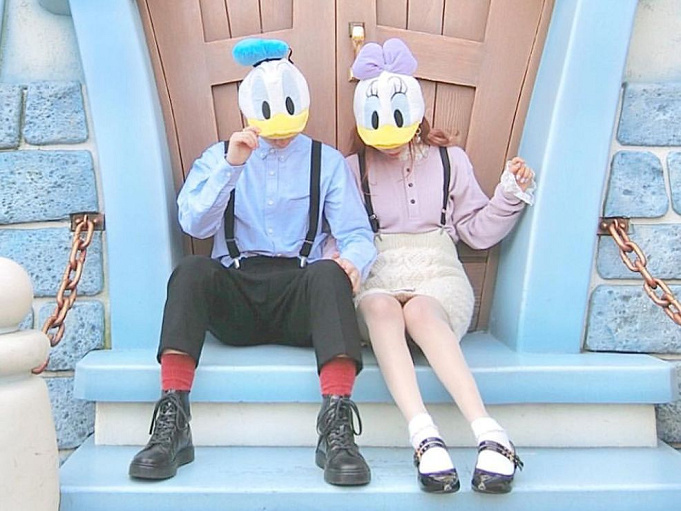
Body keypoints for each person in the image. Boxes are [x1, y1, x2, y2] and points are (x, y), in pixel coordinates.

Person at [128, 38, 377, 487]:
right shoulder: (219, 157)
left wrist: (353, 263)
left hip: (300, 297)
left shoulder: (326, 162)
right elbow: (193, 224)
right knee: (191, 271)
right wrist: (231, 167)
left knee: (330, 272)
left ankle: (337, 427)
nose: (280, 132)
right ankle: (172, 422)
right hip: (237, 294)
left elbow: (357, 235)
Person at [347, 38, 535, 494]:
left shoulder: (450, 160)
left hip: (438, 271)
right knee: (381, 307)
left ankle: (489, 432)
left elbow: (477, 231)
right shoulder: (353, 168)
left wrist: (510, 193)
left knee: (421, 310)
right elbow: (345, 236)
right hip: (378, 272)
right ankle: (424, 436)